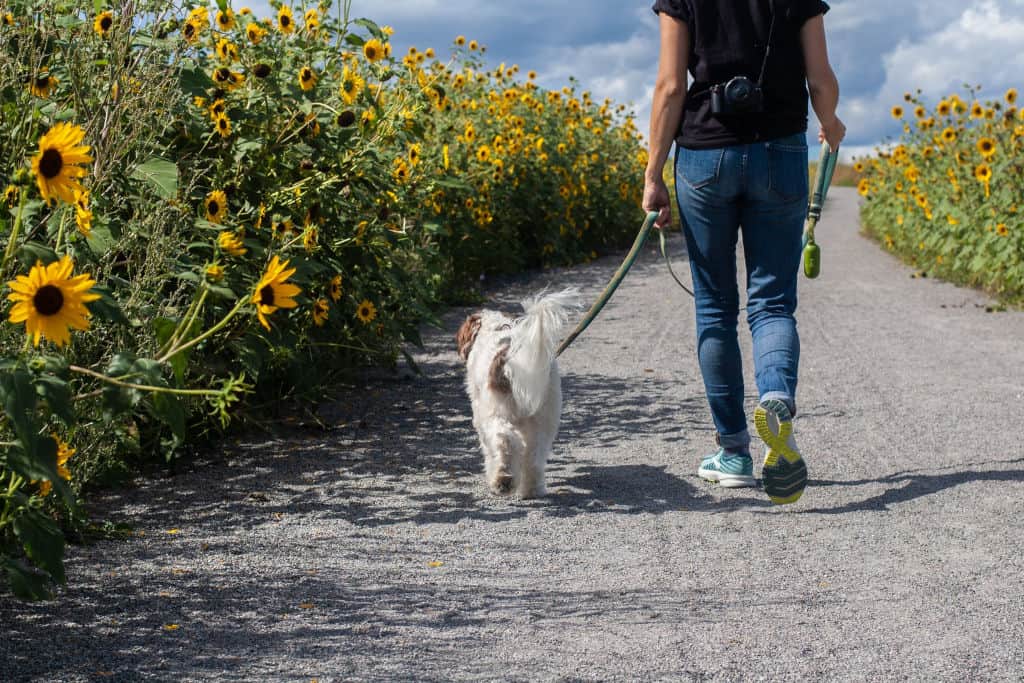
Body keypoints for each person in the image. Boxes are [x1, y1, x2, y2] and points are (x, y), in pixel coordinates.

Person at [642, 0, 845, 504]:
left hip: (705, 154)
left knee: (714, 306)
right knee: (772, 302)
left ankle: (734, 454)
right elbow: (819, 77)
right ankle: (776, 396)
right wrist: (831, 121)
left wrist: (653, 174)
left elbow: (670, 86)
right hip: (780, 149)